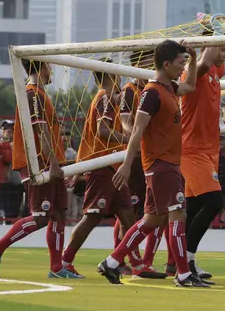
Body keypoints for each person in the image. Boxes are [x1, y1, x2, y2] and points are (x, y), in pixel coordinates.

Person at [97, 40, 209, 287]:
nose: (183, 68)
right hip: (160, 164)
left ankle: (112, 262)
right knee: (178, 214)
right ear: (166, 64)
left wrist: (192, 57)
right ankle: (183, 274)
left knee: (152, 220)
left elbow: (190, 85)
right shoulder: (152, 92)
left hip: (167, 164)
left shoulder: (169, 88)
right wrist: (126, 165)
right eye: (180, 63)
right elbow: (136, 130)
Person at [62, 61, 152, 278]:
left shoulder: (109, 98)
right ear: (112, 75)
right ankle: (65, 261)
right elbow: (103, 130)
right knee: (92, 217)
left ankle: (137, 265)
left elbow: (95, 133)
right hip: (102, 166)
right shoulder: (104, 97)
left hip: (113, 167)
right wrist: (130, 139)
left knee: (128, 215)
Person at [0, 60, 74, 278]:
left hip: (51, 162)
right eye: (48, 67)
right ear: (42, 68)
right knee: (41, 216)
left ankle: (56, 267)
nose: (51, 71)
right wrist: (53, 162)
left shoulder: (40, 94)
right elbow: (41, 131)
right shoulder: (32, 94)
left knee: (59, 214)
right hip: (38, 164)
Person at [180, 23, 225, 281]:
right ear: (207, 48)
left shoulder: (216, 71)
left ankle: (184, 264)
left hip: (208, 151)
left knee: (193, 209)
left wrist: (223, 31)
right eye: (220, 45)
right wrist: (215, 35)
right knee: (214, 202)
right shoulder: (195, 72)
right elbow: (202, 63)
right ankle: (185, 263)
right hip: (192, 150)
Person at [119, 50, 169, 278]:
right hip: (137, 159)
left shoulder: (154, 89)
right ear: (139, 64)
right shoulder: (130, 90)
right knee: (132, 212)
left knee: (152, 212)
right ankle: (127, 260)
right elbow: (126, 124)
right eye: (149, 63)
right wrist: (139, 140)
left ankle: (136, 260)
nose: (153, 67)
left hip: (150, 157)